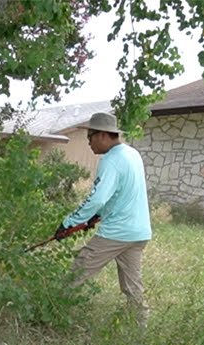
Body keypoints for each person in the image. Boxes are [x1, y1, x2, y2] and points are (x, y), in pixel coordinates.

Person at [57, 111, 153, 325]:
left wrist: (69, 223)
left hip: (117, 233)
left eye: (90, 136)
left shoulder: (110, 160)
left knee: (75, 274)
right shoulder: (132, 154)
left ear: (102, 135)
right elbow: (119, 193)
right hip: (139, 233)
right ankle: (141, 328)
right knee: (132, 287)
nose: (88, 142)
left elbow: (98, 198)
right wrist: (97, 216)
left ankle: (51, 314)